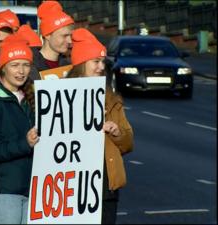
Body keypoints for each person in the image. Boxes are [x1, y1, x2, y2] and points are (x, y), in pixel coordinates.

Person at [66, 28, 134, 224]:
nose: (100, 67)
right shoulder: (62, 96)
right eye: (95, 62)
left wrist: (115, 132)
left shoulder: (112, 99)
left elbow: (128, 143)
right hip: (73, 188)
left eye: (102, 62)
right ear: (81, 64)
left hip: (105, 187)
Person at [0, 34, 39, 224]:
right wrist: (25, 143)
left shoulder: (33, 97)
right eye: (15, 65)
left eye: (26, 65)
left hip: (34, 189)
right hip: (5, 190)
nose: (21, 71)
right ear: (2, 67)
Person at [28, 0, 74, 81]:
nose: (70, 41)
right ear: (47, 35)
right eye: (64, 36)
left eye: (70, 35)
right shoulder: (30, 67)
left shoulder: (68, 66)